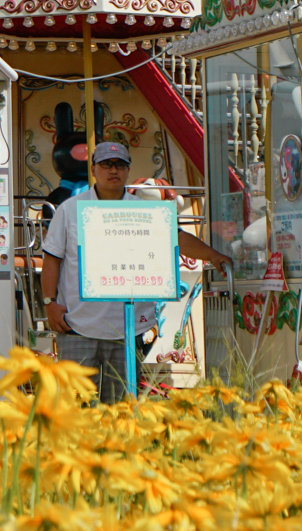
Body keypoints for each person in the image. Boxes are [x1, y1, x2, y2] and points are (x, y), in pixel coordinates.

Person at [40, 141, 231, 404]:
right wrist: (50, 303)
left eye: (120, 165)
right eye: (106, 164)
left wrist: (213, 255)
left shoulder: (146, 211)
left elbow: (175, 238)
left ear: (128, 171)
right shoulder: (70, 209)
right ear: (94, 169)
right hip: (77, 327)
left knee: (122, 410)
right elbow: (52, 259)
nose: (113, 170)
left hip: (128, 331)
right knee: (76, 410)